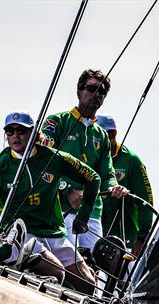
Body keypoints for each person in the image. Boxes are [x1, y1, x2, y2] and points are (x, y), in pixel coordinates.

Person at [0, 111, 100, 294]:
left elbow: (93, 178)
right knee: (56, 272)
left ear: (34, 132)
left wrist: (83, 217)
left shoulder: (54, 157)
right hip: (21, 235)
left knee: (88, 284)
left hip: (54, 233)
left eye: (21, 131)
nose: (15, 136)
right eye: (10, 131)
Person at [41, 69, 128, 255]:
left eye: (102, 92)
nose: (97, 94)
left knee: (95, 270)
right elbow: (41, 163)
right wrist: (67, 190)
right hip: (57, 209)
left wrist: (115, 187)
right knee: (69, 265)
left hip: (92, 212)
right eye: (92, 88)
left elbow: (107, 174)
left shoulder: (102, 136)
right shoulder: (56, 122)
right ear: (79, 91)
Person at [96, 115, 154, 256]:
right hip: (94, 236)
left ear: (113, 134)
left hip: (125, 242)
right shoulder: (90, 157)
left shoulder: (132, 160)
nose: (98, 142)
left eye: (102, 135)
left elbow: (146, 201)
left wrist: (141, 239)